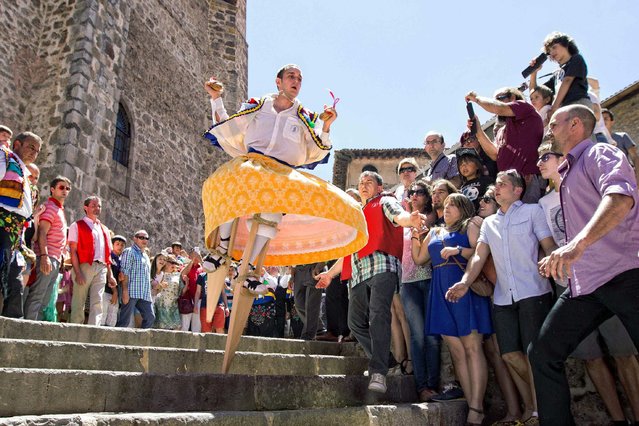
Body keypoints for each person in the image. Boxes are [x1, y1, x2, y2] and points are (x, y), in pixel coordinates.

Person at [201, 65, 365, 296]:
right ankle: (221, 249)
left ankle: (248, 269)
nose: (296, 81)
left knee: (271, 215)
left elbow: (317, 150)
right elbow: (228, 127)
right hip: (253, 164)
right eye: (291, 76)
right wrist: (216, 99)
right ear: (278, 82)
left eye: (299, 78)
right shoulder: (257, 104)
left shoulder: (305, 116)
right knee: (228, 185)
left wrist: (327, 125)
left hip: (281, 173)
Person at [529, 105, 639, 426]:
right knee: (543, 354)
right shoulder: (568, 172)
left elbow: (619, 197)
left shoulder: (600, 153)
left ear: (575, 124)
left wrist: (577, 245)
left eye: (554, 123)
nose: (549, 130)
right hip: (586, 283)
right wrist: (565, 250)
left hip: (624, 273)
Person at [446, 169, 557, 425]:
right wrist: (465, 282)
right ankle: (535, 407)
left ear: (517, 190)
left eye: (503, 184)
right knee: (508, 355)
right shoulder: (489, 223)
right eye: (496, 184)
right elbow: (478, 256)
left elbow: (548, 244)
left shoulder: (532, 212)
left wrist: (555, 262)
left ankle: (539, 413)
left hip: (534, 292)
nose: (496, 188)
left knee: (533, 355)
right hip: (503, 298)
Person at [315, 171, 426, 394]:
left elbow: (398, 215)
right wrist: (330, 275)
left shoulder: (385, 201)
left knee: (378, 314)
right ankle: (387, 359)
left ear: (378, 187)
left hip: (382, 265)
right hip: (357, 273)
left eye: (369, 183)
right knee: (355, 323)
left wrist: (410, 220)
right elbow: (347, 252)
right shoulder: (356, 213)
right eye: (361, 182)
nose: (364, 186)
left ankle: (378, 371)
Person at [412, 193, 492, 425]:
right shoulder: (436, 231)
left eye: (453, 205)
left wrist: (458, 250)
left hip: (464, 286)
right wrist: (416, 235)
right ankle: (472, 404)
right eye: (445, 205)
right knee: (457, 352)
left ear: (464, 208)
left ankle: (476, 409)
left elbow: (480, 252)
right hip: (439, 290)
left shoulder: (470, 225)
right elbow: (419, 260)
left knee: (472, 348)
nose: (446, 209)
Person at [475, 186, 523, 425]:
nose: (482, 203)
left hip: (509, 298)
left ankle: (532, 409)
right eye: (481, 199)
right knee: (498, 356)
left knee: (512, 355)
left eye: (488, 198)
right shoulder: (483, 227)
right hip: (492, 299)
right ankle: (514, 411)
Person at [465, 87, 545, 203]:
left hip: (528, 179)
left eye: (499, 99)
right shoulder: (502, 130)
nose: (495, 102)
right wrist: (478, 130)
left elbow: (498, 108)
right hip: (506, 185)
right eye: (494, 100)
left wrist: (476, 99)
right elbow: (494, 154)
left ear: (512, 97)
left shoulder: (525, 107)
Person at [400, 179, 441, 402]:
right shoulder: (403, 222)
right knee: (417, 336)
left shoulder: (432, 221)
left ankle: (432, 385)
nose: (414, 195)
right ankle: (422, 386)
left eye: (419, 192)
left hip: (430, 280)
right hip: (408, 283)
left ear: (427, 196)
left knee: (432, 336)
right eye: (411, 193)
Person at [0, 132, 41, 318]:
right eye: (31, 147)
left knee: (15, 278)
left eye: (38, 151)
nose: (34, 153)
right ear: (17, 144)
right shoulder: (5, 158)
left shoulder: (24, 172)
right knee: (9, 274)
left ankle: (13, 323)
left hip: (16, 231)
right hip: (3, 223)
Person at [23, 176, 71, 320]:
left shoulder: (58, 209)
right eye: (61, 187)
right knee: (37, 296)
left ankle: (34, 327)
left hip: (54, 259)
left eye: (67, 188)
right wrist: (44, 256)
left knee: (45, 299)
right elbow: (43, 232)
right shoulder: (50, 207)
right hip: (47, 257)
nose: (65, 191)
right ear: (52, 189)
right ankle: (27, 329)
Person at [68, 196, 116, 325]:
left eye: (99, 206)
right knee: (79, 299)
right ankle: (75, 328)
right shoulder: (76, 226)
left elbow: (107, 254)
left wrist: (110, 275)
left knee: (98, 301)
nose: (97, 208)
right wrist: (77, 272)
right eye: (93, 205)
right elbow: (73, 250)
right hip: (84, 266)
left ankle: (93, 329)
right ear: (86, 207)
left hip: (101, 267)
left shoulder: (104, 229)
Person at [529, 32, 591, 116]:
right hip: (563, 109)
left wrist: (554, 108)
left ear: (566, 45)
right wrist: (534, 72)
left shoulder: (576, 58)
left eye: (554, 47)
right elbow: (535, 92)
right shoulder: (557, 75)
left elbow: (567, 81)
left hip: (578, 104)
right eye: (549, 51)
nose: (552, 52)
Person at [116, 231, 155, 329]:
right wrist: (125, 291)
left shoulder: (145, 256)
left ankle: (141, 341)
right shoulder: (129, 251)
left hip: (144, 294)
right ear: (135, 238)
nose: (144, 240)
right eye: (141, 237)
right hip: (131, 292)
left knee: (150, 317)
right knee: (124, 320)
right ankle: (117, 341)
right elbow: (125, 272)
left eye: (146, 238)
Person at [602, 108, 639, 182]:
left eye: (605, 118)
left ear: (612, 122)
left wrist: (638, 176)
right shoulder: (597, 144)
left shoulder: (622, 136)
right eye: (601, 120)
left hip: (629, 177)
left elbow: (634, 157)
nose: (603, 121)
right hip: (611, 181)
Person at [292, 262, 326, 340]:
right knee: (298, 304)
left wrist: (319, 267)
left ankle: (308, 335)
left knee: (311, 305)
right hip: (298, 268)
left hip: (314, 266)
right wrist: (292, 275)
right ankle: (319, 328)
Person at [153, 254, 182, 330]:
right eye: (171, 262)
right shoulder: (160, 273)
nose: (173, 264)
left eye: (175, 263)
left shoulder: (178, 275)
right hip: (161, 306)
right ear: (165, 263)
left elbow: (181, 291)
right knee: (161, 329)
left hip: (173, 306)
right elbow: (154, 287)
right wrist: (160, 285)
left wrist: (187, 283)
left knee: (176, 328)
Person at [104, 235, 126, 327]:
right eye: (117, 244)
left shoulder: (120, 260)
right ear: (112, 245)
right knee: (103, 316)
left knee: (112, 318)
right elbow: (108, 275)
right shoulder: (109, 257)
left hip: (114, 293)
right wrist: (115, 292)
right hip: (106, 291)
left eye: (122, 245)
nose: (120, 247)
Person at [179, 248, 203, 332]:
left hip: (199, 299)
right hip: (187, 299)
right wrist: (192, 260)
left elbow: (208, 273)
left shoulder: (202, 267)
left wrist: (201, 260)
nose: (196, 257)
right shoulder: (186, 265)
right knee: (184, 325)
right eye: (193, 255)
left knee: (197, 326)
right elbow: (183, 273)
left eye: (197, 255)